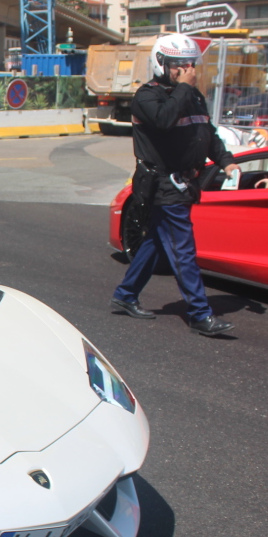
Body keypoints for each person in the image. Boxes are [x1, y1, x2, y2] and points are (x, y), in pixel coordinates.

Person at [111, 34, 241, 337]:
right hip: (162, 182)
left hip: (185, 181)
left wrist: (226, 160)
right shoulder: (147, 96)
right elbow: (165, 119)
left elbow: (205, 132)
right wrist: (184, 87)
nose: (185, 70)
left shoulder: (192, 96)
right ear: (160, 63)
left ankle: (126, 294)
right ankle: (199, 313)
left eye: (189, 64)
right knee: (183, 249)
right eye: (177, 65)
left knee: (157, 240)